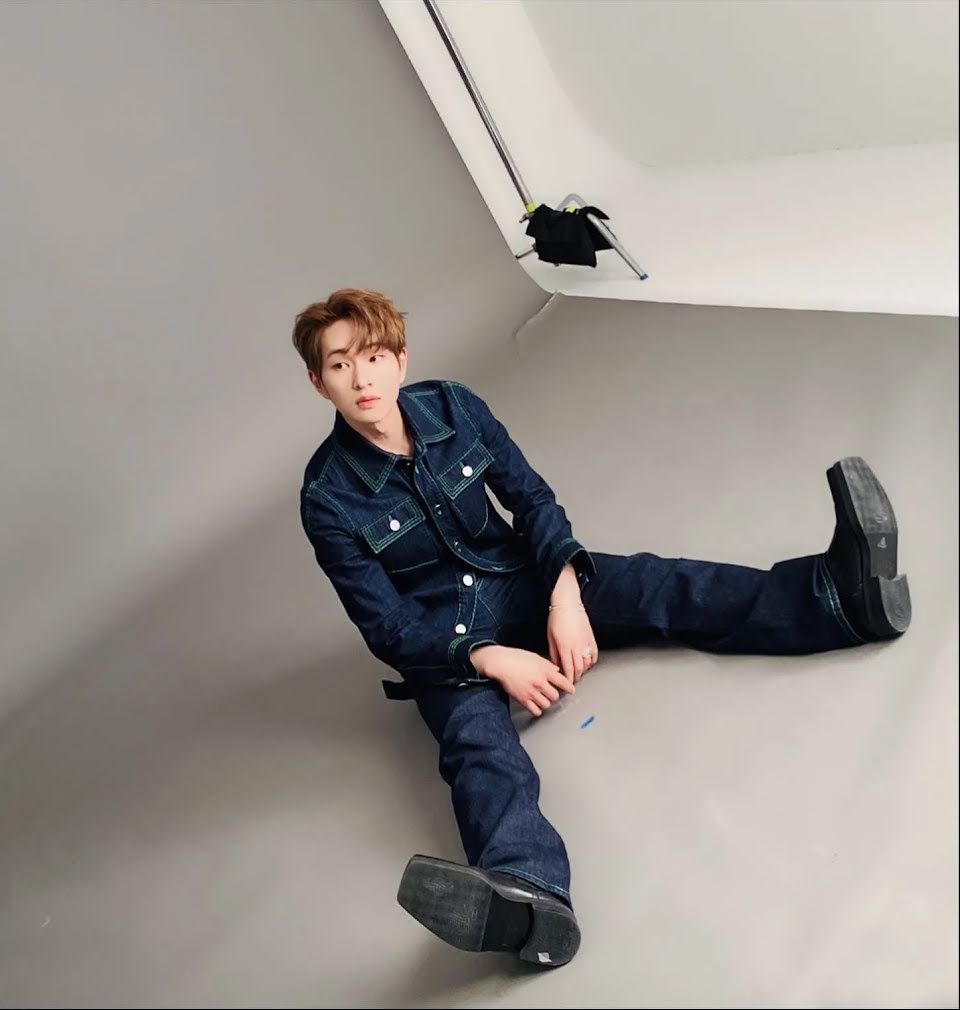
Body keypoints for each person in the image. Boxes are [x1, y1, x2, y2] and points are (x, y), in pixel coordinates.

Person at [292, 288, 911, 968]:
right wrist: (490, 657)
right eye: (340, 365)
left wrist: (564, 597)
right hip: (444, 640)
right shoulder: (327, 499)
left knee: (661, 585)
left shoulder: (454, 407)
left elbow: (531, 501)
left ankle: (840, 598)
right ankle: (530, 899)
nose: (362, 378)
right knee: (476, 747)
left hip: (522, 579)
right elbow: (387, 625)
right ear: (320, 383)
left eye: (373, 357)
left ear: (400, 359)